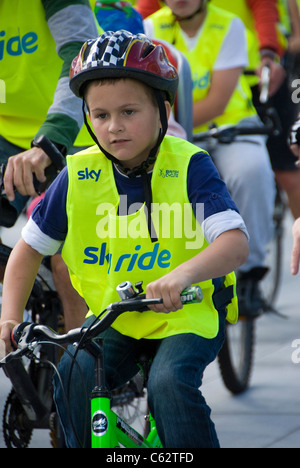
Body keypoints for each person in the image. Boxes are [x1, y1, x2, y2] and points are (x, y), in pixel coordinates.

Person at [0, 31, 249, 448]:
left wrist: (183, 275)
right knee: (72, 376)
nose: (113, 127)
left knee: (169, 383)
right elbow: (27, 251)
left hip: (188, 313)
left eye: (129, 111)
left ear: (162, 109)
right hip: (117, 315)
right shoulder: (77, 174)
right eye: (99, 115)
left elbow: (234, 242)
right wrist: (9, 317)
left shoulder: (190, 165)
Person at [144, 0, 276, 314]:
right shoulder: (149, 28)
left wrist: (165, 127)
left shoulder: (230, 25)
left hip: (229, 127)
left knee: (250, 172)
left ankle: (249, 274)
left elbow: (218, 101)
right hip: (173, 131)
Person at [0, 0, 100, 329]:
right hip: (7, 134)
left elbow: (79, 56)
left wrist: (51, 140)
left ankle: (79, 374)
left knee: (70, 263)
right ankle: (28, 293)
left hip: (74, 131)